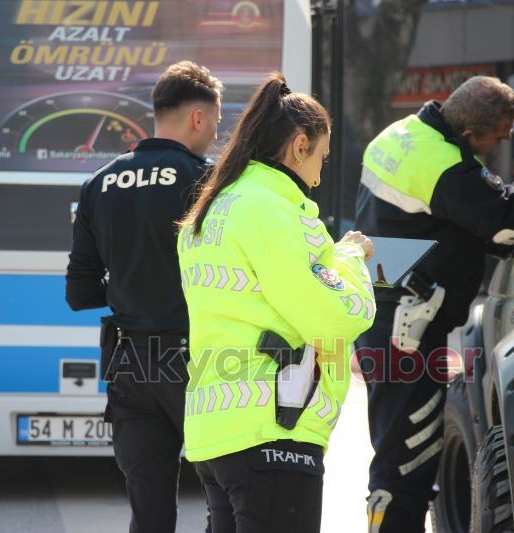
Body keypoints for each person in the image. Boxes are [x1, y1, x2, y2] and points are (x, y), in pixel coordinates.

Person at [177, 73, 376, 533]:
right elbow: (336, 316)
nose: (320, 175)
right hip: (273, 427)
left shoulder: (215, 206)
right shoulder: (272, 208)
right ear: (299, 145)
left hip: (216, 431)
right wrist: (349, 256)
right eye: (321, 158)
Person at [354, 75, 514, 532]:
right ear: (469, 134)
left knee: (396, 450)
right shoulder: (445, 165)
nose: (499, 146)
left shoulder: (399, 135)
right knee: (410, 455)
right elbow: (506, 224)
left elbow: (449, 223)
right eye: (497, 138)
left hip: (385, 315)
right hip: (408, 331)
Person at [65, 61, 223, 533]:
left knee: (149, 513)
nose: (216, 133)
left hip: (130, 364)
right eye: (215, 121)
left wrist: (133, 283)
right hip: (202, 362)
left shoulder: (99, 183)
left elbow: (79, 294)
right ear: (197, 117)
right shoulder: (210, 182)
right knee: (224, 501)